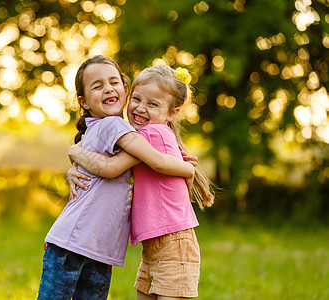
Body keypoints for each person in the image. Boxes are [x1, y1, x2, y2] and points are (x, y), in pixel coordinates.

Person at [37, 56, 196, 300]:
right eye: (97, 86)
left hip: (91, 247)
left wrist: (74, 153)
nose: (108, 89)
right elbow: (128, 165)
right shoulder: (114, 126)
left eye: (114, 82)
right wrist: (187, 169)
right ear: (83, 101)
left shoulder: (119, 130)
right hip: (84, 245)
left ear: (124, 88)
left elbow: (145, 162)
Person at [68, 65, 215, 299]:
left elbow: (110, 167)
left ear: (171, 113)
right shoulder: (147, 137)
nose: (140, 108)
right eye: (136, 99)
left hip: (173, 244)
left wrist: (74, 152)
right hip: (156, 247)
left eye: (153, 104)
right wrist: (73, 169)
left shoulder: (149, 135)